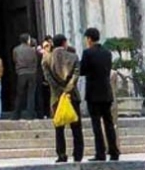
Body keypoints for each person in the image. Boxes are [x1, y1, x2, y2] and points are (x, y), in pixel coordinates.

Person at [79, 28, 119, 161]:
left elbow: (82, 70)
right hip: (106, 92)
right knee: (109, 123)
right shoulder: (107, 53)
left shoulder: (87, 53)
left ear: (89, 39)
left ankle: (100, 152)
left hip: (93, 93)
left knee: (96, 124)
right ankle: (114, 150)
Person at [44, 33, 83, 162]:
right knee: (76, 127)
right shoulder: (74, 57)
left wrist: (60, 91)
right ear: (65, 43)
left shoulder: (46, 59)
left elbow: (48, 78)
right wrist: (68, 89)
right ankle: (78, 154)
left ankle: (61, 154)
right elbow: (76, 75)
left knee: (59, 127)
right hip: (72, 96)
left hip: (56, 97)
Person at [12, 35, 39, 120]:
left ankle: (16, 115)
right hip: (32, 73)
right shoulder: (32, 50)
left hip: (21, 73)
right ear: (27, 40)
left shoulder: (16, 50)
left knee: (19, 94)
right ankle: (30, 114)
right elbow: (36, 61)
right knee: (31, 94)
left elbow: (15, 60)